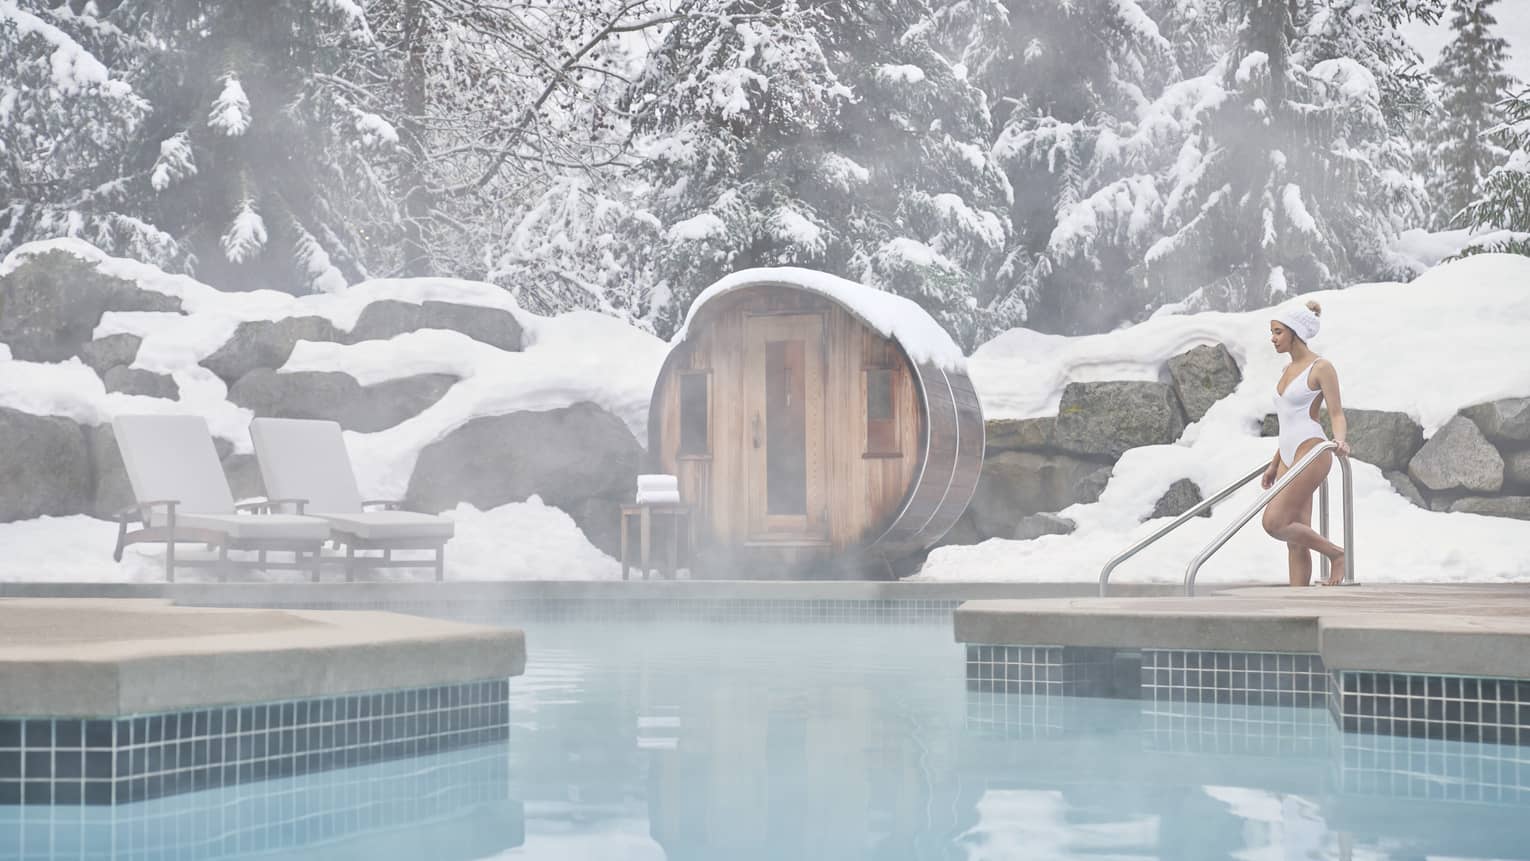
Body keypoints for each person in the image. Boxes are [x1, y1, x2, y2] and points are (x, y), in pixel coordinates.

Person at [1260, 299, 1351, 587]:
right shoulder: (1286, 371)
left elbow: (1336, 412)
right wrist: (1275, 464)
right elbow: (1288, 420)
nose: (1272, 339)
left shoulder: (1321, 367)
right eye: (1272, 332)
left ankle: (1336, 554)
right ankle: (1298, 606)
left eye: (1277, 332)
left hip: (1311, 450)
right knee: (1294, 540)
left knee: (1273, 523)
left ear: (1294, 332)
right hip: (1287, 454)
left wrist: (1339, 441)